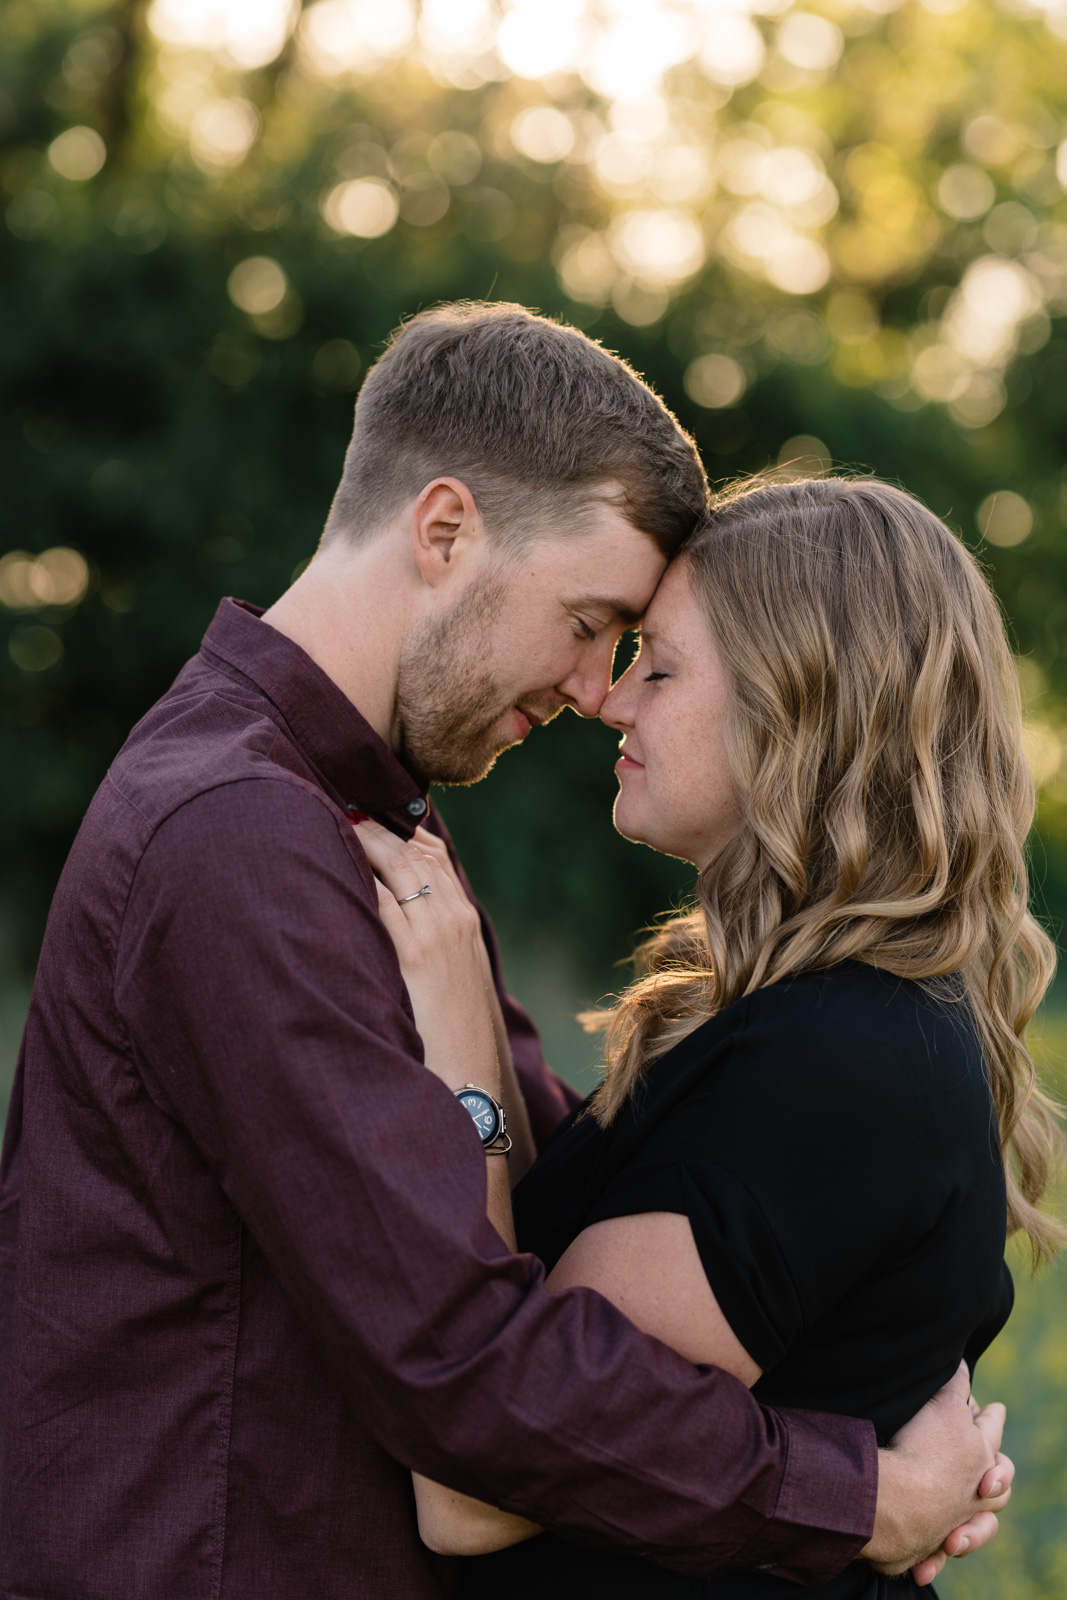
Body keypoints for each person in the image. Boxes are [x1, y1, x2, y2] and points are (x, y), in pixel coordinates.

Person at [0, 308, 1010, 1600]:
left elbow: (550, 1216)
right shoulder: (242, 835)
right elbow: (467, 1363)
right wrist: (852, 1493)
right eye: (591, 623)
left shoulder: (361, 813)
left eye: (634, 649)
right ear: (442, 532)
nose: (597, 689)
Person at [359, 474, 1063, 1597]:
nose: (612, 699)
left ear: (799, 710)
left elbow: (478, 1488)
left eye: (661, 665)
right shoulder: (822, 1019)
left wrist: (461, 1067)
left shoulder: (836, 1059)